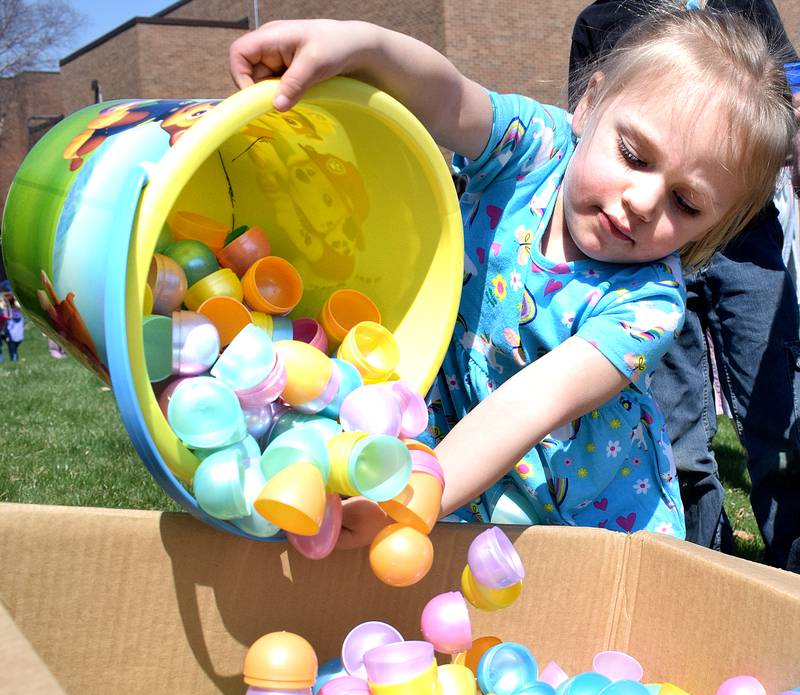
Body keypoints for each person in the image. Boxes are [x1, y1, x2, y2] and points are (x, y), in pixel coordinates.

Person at [228, 8, 796, 549]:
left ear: (714, 226)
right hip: (459, 459)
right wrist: (361, 45)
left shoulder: (647, 305)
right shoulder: (533, 149)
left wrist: (411, 496)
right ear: (589, 105)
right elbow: (448, 97)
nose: (643, 202)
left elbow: (530, 405)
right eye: (633, 154)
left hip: (581, 514)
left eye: (687, 203)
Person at [569, 0, 800, 571]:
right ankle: (699, 578)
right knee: (676, 443)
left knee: (780, 417)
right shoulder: (604, 18)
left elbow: (786, 97)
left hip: (747, 241)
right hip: (645, 259)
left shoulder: (745, 6)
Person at [5, 296, 24, 362]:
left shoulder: (8, 313)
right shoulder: (19, 311)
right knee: (15, 350)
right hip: (19, 336)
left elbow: (8, 326)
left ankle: (14, 361)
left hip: (11, 336)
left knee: (12, 351)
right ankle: (16, 360)